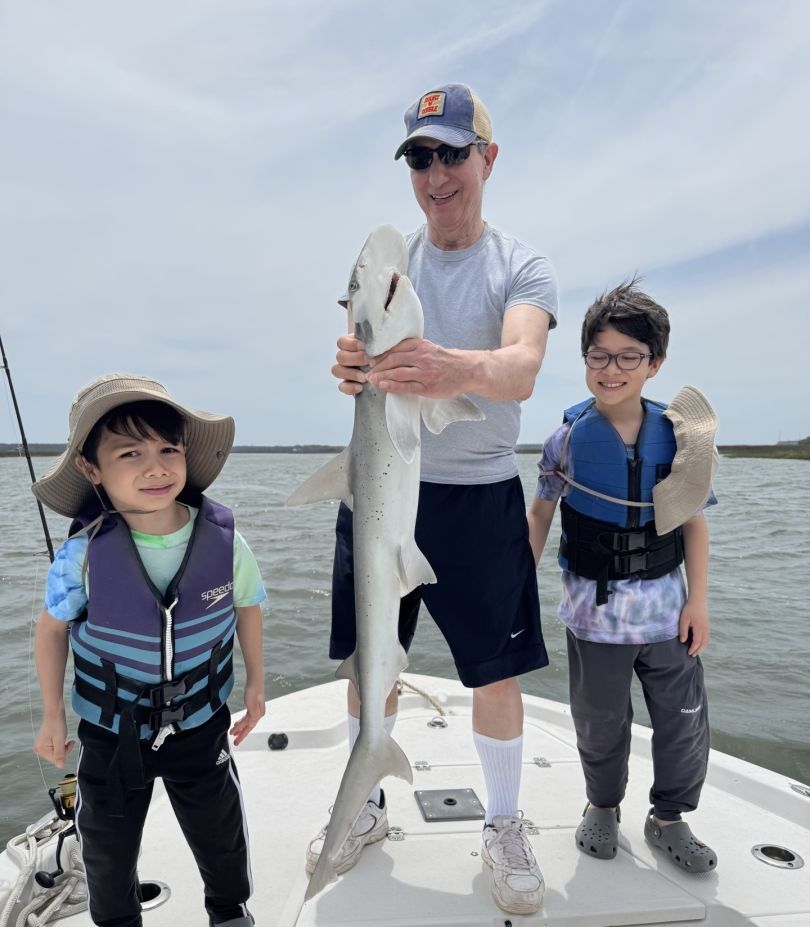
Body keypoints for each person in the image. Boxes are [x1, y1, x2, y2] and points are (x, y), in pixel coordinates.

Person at [308, 83, 558, 915]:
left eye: (453, 152)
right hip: (380, 495)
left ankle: (504, 822)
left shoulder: (521, 265)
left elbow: (522, 365)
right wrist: (352, 367)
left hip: (480, 499)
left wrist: (450, 368)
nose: (436, 172)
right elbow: (358, 364)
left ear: (488, 158)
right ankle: (366, 803)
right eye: (421, 156)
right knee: (365, 663)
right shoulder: (391, 271)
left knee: (496, 673)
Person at [31, 374, 267, 927]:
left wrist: (256, 685)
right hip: (112, 735)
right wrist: (50, 714)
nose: (156, 468)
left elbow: (248, 608)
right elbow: (50, 632)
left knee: (221, 835)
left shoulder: (226, 542)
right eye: (130, 453)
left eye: (168, 450)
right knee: (107, 851)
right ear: (92, 469)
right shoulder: (81, 555)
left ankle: (229, 913)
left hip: (201, 723)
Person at [527, 281, 719, 873]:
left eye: (629, 356)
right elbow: (540, 514)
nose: (612, 369)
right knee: (600, 722)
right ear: (584, 359)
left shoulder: (682, 437)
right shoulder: (565, 439)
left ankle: (668, 817)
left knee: (682, 722)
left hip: (668, 613)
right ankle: (602, 806)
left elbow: (694, 525)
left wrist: (699, 604)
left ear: (654, 363)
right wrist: (515, 588)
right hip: (593, 614)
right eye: (599, 356)